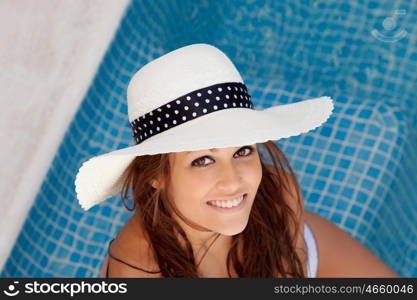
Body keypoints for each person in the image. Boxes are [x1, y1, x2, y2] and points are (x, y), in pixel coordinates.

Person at [75, 43, 398, 278]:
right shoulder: (140, 270)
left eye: (242, 151)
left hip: (304, 257)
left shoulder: (277, 193)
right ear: (154, 176)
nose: (233, 181)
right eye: (202, 160)